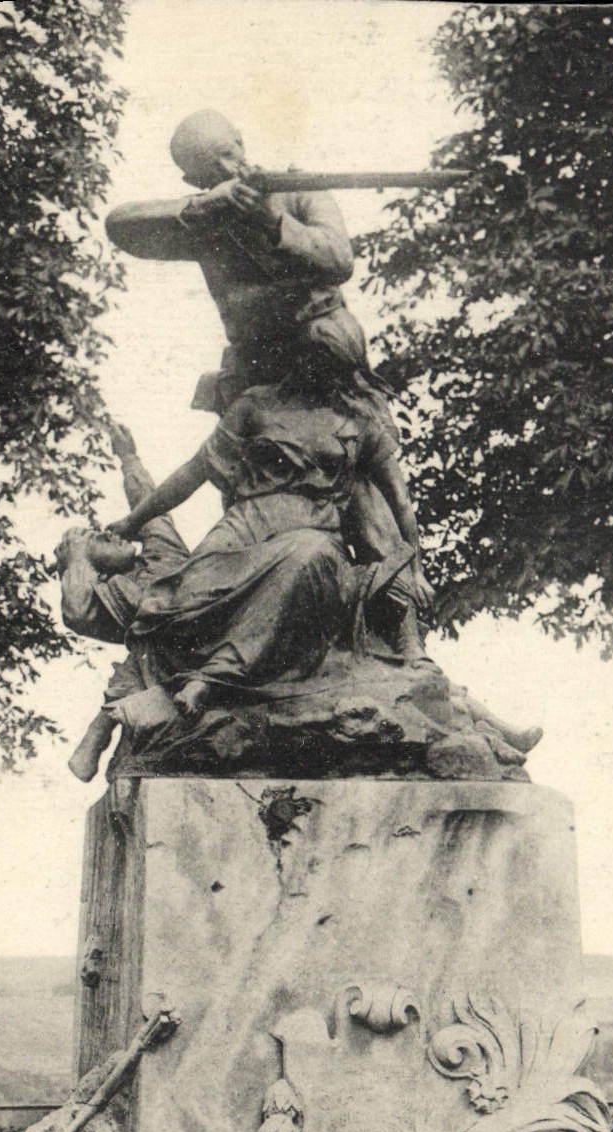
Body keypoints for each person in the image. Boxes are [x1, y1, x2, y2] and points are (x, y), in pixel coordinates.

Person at [60, 343, 431, 780]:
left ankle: (209, 681)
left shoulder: (360, 423)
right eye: (303, 353)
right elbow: (190, 475)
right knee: (177, 605)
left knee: (302, 561)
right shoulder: (255, 406)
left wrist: (414, 564)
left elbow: (399, 502)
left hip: (314, 536)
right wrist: (130, 519)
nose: (310, 367)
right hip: (243, 529)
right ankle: (124, 714)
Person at [105, 110, 410, 581]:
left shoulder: (295, 189)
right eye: (214, 167)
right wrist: (206, 205)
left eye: (231, 152)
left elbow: (337, 257)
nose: (232, 168)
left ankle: (394, 603)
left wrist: (274, 224)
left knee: (361, 491)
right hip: (256, 377)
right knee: (247, 506)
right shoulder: (206, 218)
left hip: (324, 366)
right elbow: (122, 226)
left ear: (241, 140)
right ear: (193, 178)